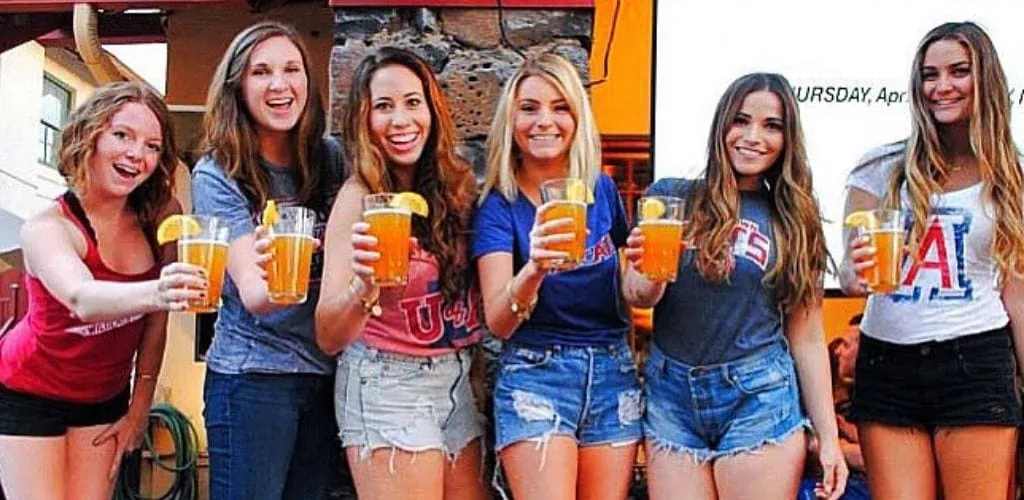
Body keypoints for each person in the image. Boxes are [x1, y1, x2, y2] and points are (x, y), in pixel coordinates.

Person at [624, 73, 848, 500]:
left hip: (758, 395)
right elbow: (638, 295)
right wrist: (650, 271)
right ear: (722, 126)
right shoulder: (672, 196)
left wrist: (829, 438)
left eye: (771, 126)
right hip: (672, 395)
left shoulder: (794, 219)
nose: (752, 136)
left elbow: (807, 335)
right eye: (740, 121)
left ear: (787, 139)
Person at [840, 21, 1024, 500]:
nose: (941, 87)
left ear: (984, 77)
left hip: (975, 359)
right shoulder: (880, 168)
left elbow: (1019, 295)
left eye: (958, 71)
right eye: (929, 75)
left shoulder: (1011, 178)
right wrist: (855, 275)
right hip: (888, 361)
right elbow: (848, 271)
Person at [0, 81, 205, 499]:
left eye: (152, 145)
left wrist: (141, 402)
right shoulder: (48, 228)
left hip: (104, 397)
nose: (137, 154)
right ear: (89, 136)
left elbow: (155, 323)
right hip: (27, 391)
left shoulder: (161, 215)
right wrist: (160, 290)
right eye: (122, 136)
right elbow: (83, 298)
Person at [315, 47, 487, 500]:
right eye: (383, 107)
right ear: (364, 120)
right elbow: (328, 334)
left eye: (413, 102)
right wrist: (365, 283)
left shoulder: (460, 188)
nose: (400, 120)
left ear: (432, 110)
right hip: (386, 381)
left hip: (455, 381)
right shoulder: (359, 197)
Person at [472, 52, 641, 500]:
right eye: (529, 108)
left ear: (577, 118)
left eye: (560, 106)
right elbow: (497, 321)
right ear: (511, 119)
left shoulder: (601, 189)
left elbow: (628, 287)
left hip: (611, 370)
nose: (544, 120)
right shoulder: (498, 206)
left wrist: (652, 278)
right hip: (536, 374)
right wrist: (535, 269)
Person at [191, 21, 348, 499]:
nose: (279, 85)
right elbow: (258, 298)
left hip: (323, 377)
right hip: (253, 378)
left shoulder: (330, 159)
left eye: (291, 69)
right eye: (262, 72)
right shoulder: (219, 171)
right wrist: (268, 263)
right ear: (238, 86)